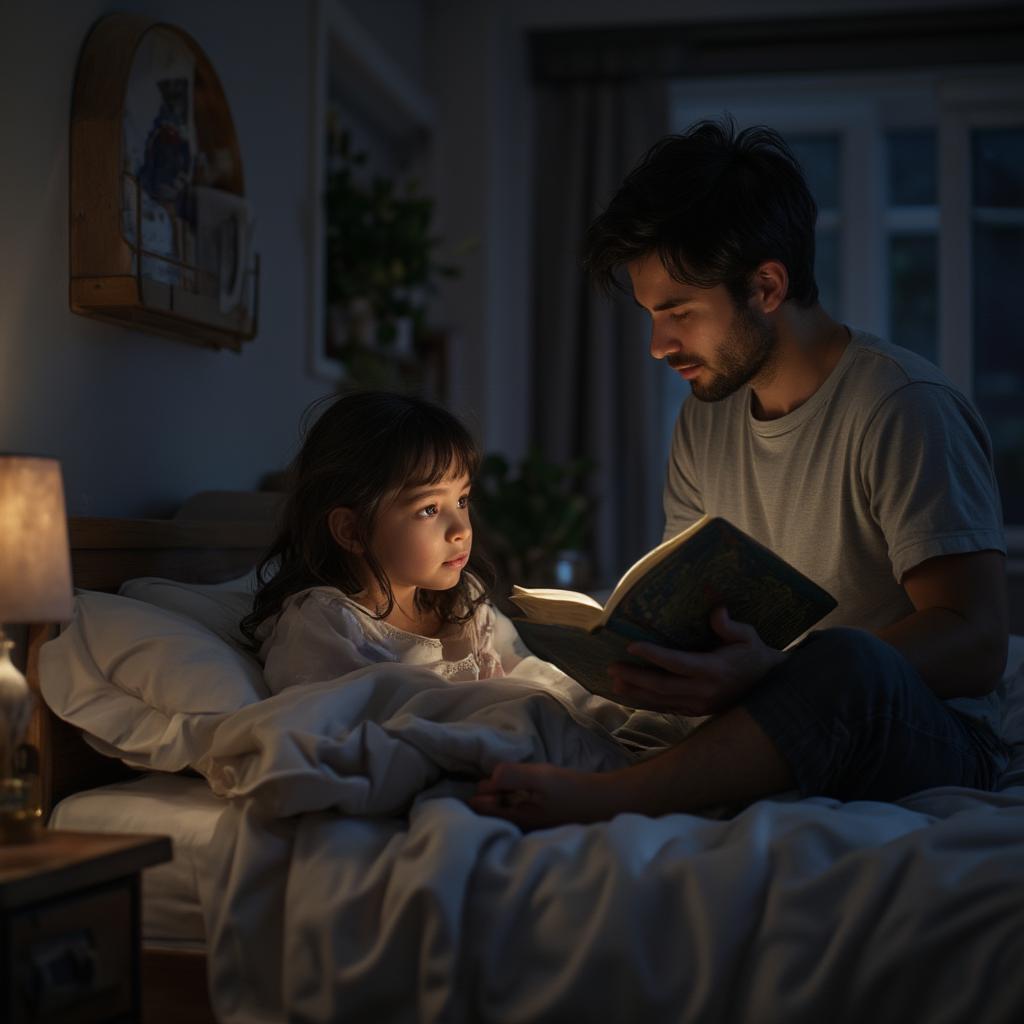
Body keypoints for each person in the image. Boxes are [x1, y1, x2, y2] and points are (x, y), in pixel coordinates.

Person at [470, 118, 1011, 828]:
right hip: (752, 710)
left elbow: (976, 640)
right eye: (650, 316)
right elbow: (688, 599)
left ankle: (614, 800)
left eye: (679, 313)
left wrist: (781, 673)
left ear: (766, 286)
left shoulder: (902, 408)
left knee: (845, 662)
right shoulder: (707, 414)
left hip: (920, 730)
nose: (660, 346)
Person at [241, 391, 507, 693]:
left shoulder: (464, 602)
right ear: (353, 531)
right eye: (429, 509)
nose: (461, 529)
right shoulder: (327, 629)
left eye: (462, 500)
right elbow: (324, 724)